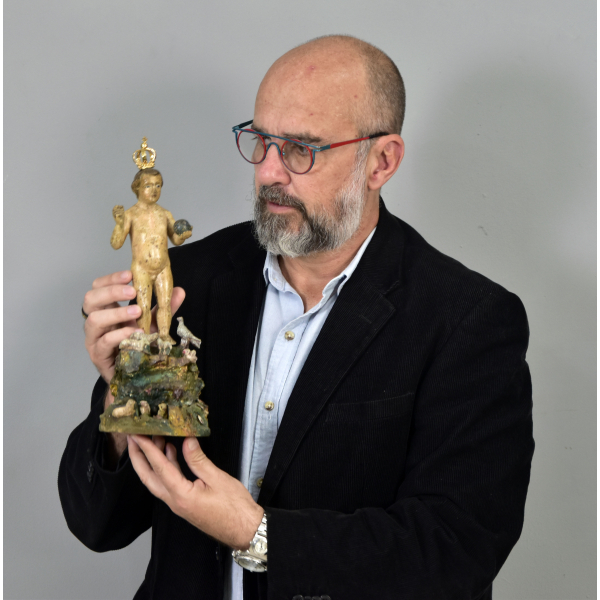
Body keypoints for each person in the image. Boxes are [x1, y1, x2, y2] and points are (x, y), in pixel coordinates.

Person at [59, 35, 534, 600]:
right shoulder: (190, 279)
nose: (268, 172)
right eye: (260, 141)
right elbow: (97, 523)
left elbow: (455, 551)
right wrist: (124, 396)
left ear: (381, 161)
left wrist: (259, 535)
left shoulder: (468, 320)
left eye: (301, 149)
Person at [111, 167, 192, 347]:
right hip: (142, 268)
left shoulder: (165, 214)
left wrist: (183, 235)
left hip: (163, 266)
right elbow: (116, 243)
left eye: (158, 185)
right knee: (144, 306)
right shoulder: (130, 215)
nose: (154, 190)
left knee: (165, 304)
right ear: (137, 188)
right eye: (148, 186)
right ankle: (144, 339)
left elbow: (175, 239)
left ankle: (164, 336)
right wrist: (119, 224)